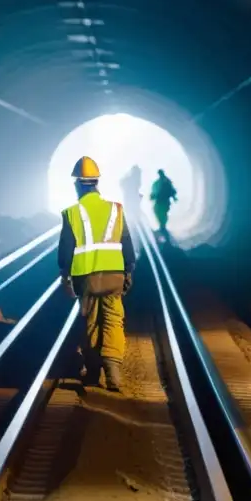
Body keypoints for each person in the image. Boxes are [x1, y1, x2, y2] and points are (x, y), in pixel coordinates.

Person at [58, 156, 137, 392]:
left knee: (91, 323)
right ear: (96, 183)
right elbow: (127, 244)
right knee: (114, 321)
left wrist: (65, 276)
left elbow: (65, 251)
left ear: (78, 185)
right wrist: (129, 270)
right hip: (114, 276)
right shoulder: (116, 210)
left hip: (88, 278)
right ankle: (114, 374)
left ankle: (93, 373)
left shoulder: (72, 213)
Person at [150, 169, 177, 239]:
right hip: (161, 202)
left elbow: (172, 190)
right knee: (160, 213)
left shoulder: (165, 182)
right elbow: (154, 192)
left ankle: (163, 226)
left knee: (162, 214)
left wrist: (174, 197)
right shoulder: (159, 182)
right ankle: (162, 226)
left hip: (163, 202)